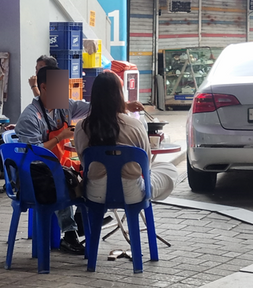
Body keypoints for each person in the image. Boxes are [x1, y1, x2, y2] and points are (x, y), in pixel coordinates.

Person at [11, 66, 144, 254]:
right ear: (44, 87)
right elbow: (32, 152)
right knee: (61, 180)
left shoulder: (65, 107)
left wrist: (125, 105)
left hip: (58, 166)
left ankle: (83, 220)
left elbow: (96, 107)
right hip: (34, 175)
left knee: (89, 177)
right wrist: (60, 137)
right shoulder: (30, 117)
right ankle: (70, 234)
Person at [73, 72, 178, 205]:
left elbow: (83, 162)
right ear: (119, 95)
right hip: (131, 193)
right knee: (170, 169)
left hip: (95, 193)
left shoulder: (81, 127)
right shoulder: (135, 125)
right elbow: (146, 164)